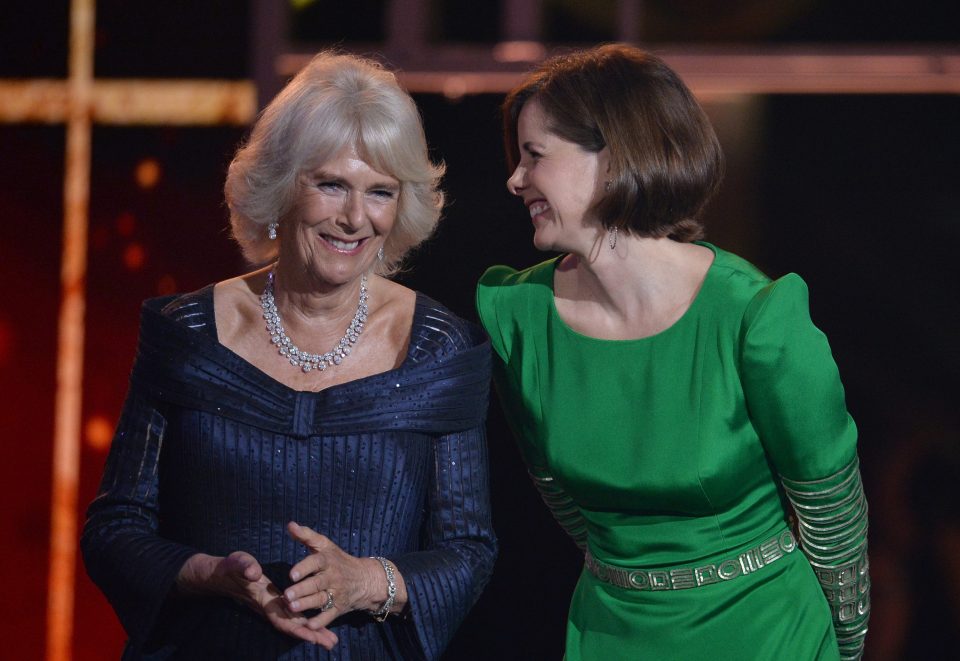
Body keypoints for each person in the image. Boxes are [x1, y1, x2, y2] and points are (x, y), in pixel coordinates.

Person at [82, 51, 496, 660]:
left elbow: (469, 551)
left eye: (379, 192)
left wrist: (366, 582)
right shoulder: (187, 331)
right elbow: (114, 530)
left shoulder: (439, 347)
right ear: (280, 186)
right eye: (331, 184)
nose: (356, 218)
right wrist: (209, 574)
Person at [476, 44, 869, 660]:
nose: (515, 178)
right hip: (612, 633)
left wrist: (842, 646)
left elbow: (831, 509)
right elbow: (557, 492)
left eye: (535, 156)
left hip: (765, 631)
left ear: (613, 156)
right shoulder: (518, 316)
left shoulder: (754, 316)